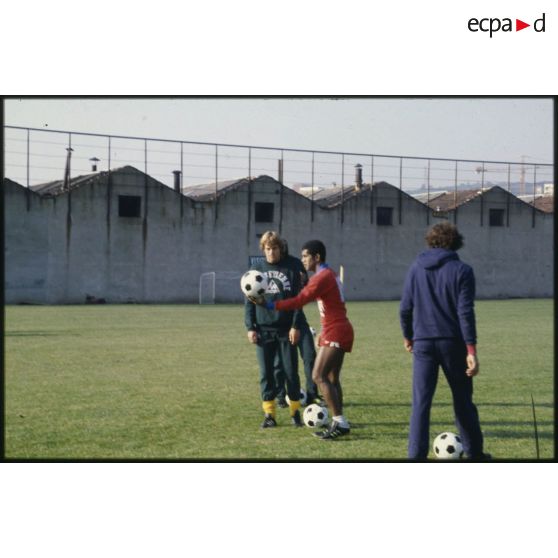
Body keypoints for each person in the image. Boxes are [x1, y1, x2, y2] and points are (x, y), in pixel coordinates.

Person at [399, 222, 490, 460]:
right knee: (462, 401)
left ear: (431, 241)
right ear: (455, 243)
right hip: (453, 343)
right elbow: (465, 313)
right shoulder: (463, 270)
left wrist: (408, 335)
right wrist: (471, 349)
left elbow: (405, 308)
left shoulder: (415, 268)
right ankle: (474, 453)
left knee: (421, 402)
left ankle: (415, 457)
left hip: (423, 344)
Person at [254, 240, 354, 440]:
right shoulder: (329, 274)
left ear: (317, 258)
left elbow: (299, 300)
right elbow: (326, 301)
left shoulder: (323, 276)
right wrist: (323, 332)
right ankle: (339, 421)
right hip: (338, 329)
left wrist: (269, 305)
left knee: (318, 376)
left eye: (306, 256)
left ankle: (340, 421)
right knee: (332, 379)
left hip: (336, 331)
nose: (302, 260)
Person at [244, 231, 304, 428]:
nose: (271, 253)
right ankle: (269, 415)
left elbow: (299, 301)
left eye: (275, 249)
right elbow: (249, 301)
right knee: (266, 374)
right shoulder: (256, 268)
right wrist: (250, 327)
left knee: (290, 372)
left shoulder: (292, 267)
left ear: (281, 248)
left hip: (286, 329)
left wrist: (296, 325)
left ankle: (295, 412)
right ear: (263, 249)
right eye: (268, 249)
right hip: (263, 330)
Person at [274, 240, 320, 409]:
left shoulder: (295, 264)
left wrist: (304, 282)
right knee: (279, 363)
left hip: (298, 319)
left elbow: (304, 290)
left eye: (280, 247)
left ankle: (312, 394)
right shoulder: (269, 268)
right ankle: (280, 396)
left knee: (309, 356)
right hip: (279, 323)